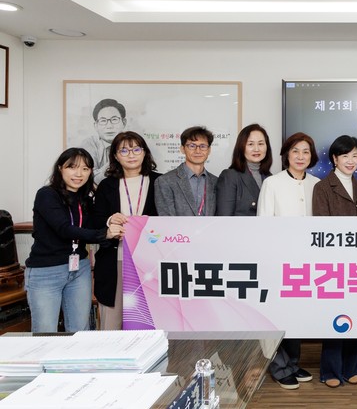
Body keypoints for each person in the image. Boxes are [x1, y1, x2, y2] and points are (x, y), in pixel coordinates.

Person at [25, 148, 124, 332]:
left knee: (80, 331)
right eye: (72, 167)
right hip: (46, 272)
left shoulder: (85, 198)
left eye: (85, 169)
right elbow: (64, 229)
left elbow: (93, 224)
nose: (79, 174)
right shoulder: (47, 194)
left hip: (79, 269)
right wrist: (104, 234)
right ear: (60, 168)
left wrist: (111, 220)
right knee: (45, 332)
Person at [257, 131, 320, 390]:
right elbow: (263, 225)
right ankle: (279, 366)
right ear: (286, 155)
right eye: (295, 151)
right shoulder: (272, 183)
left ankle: (292, 364)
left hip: (306, 263)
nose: (300, 156)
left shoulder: (317, 184)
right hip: (278, 260)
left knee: (296, 316)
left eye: (306, 151)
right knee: (276, 316)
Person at [312, 135, 357, 389]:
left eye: (355, 156)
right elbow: (322, 228)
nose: (350, 160)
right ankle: (330, 370)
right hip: (333, 262)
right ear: (335, 158)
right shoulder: (323, 187)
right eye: (345, 155)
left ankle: (353, 367)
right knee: (335, 317)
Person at [93, 131, 161, 330]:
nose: (131, 155)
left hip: (150, 262)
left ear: (144, 152)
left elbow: (168, 219)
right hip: (116, 259)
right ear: (115, 155)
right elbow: (95, 220)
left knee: (149, 322)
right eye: (124, 150)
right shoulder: (106, 185)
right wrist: (109, 221)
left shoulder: (160, 181)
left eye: (136, 149)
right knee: (111, 324)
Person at [154, 126, 218, 216]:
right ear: (182, 149)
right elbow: (166, 218)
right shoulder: (165, 181)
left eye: (203, 146)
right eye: (192, 146)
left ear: (209, 150)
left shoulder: (216, 182)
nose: (198, 151)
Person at [216, 124, 272, 216]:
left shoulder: (270, 178)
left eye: (261, 144)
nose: (256, 149)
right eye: (250, 144)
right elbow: (224, 218)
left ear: (267, 147)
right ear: (241, 147)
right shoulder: (230, 176)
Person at [81, 98, 128, 183]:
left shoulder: (134, 144)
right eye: (103, 121)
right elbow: (90, 180)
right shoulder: (89, 145)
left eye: (114, 119)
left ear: (124, 122)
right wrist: (116, 159)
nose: (109, 126)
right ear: (96, 125)